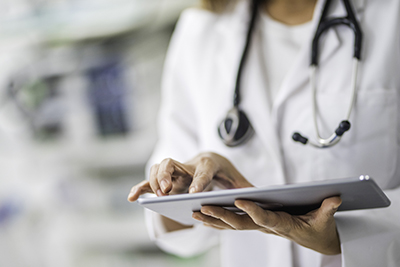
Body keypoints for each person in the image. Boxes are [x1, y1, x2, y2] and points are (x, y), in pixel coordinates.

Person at [128, 0, 400, 266]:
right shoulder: (201, 29)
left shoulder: (390, 16)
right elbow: (175, 229)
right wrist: (186, 189)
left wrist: (343, 238)